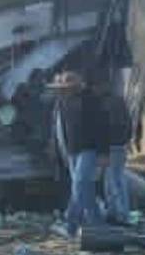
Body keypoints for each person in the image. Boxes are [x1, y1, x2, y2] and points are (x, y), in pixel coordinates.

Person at [50, 71, 105, 238]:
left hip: (89, 150)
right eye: (60, 89)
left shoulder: (90, 100)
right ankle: (89, 225)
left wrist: (103, 152)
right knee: (83, 189)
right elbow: (60, 130)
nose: (61, 91)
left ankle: (76, 224)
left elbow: (102, 127)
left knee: (80, 185)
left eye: (65, 88)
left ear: (75, 87)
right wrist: (59, 150)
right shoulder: (62, 103)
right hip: (72, 151)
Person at [102, 85, 133, 225]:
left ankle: (118, 213)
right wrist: (127, 140)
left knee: (112, 180)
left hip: (110, 146)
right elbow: (129, 124)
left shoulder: (103, 105)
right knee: (117, 179)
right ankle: (119, 212)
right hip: (121, 145)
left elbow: (102, 128)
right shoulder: (120, 102)